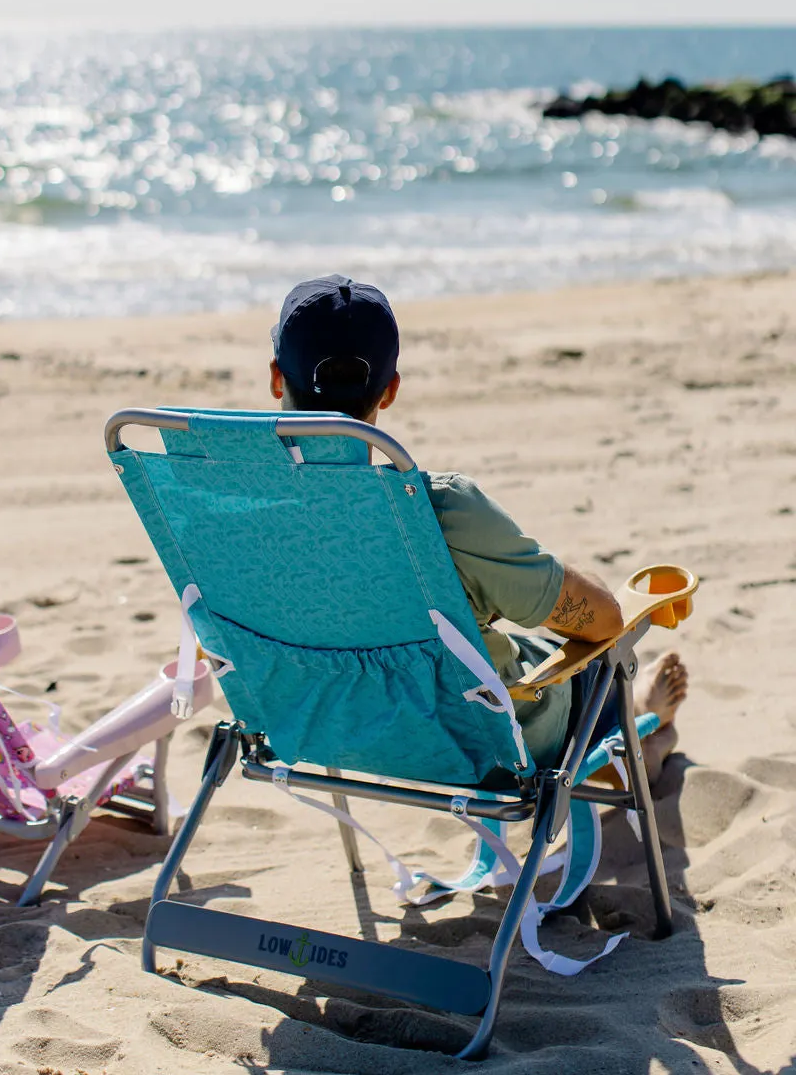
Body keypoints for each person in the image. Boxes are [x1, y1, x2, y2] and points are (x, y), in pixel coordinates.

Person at [269, 274, 687, 783]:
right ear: (392, 389)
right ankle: (642, 731)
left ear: (275, 379)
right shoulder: (440, 514)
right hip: (471, 742)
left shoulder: (227, 511)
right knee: (602, 666)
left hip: (317, 727)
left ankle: (636, 730)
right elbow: (601, 622)